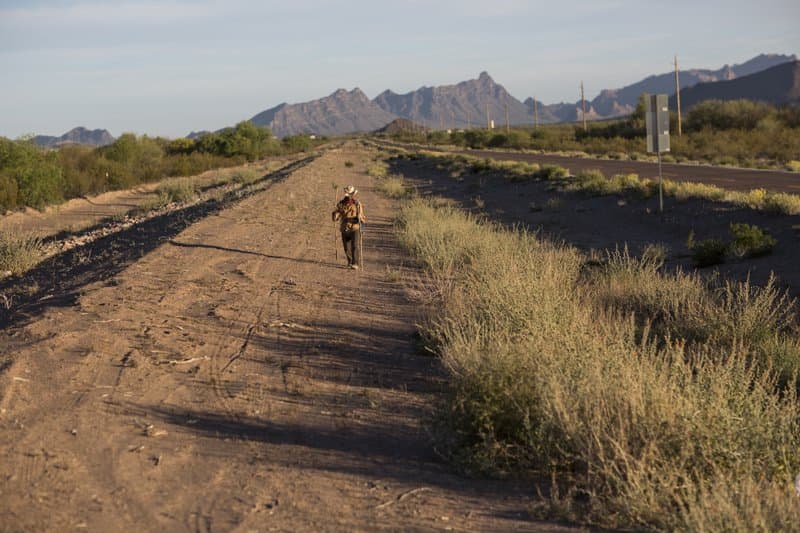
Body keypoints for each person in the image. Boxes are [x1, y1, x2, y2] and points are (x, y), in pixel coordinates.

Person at [332, 185, 365, 269]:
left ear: (353, 194)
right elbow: (337, 214)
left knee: (355, 246)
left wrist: (359, 218)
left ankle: (355, 263)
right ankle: (350, 262)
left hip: (355, 227)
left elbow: (362, 217)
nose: (349, 196)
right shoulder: (341, 204)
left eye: (351, 194)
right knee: (346, 247)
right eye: (348, 194)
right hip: (344, 227)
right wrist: (335, 215)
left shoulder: (357, 204)